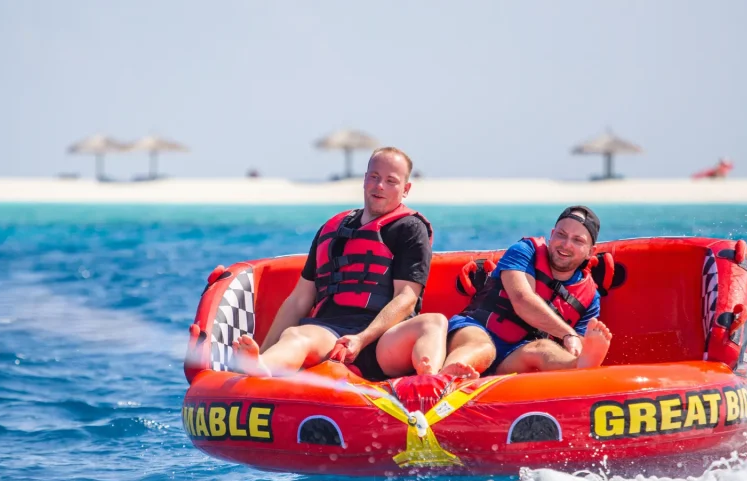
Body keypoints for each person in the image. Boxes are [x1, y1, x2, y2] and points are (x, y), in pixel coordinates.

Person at [232, 147, 448, 380]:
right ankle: (262, 366)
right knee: (297, 335)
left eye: (390, 181)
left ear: (405, 189)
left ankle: (431, 382)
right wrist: (263, 350)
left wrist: (362, 338)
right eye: (374, 177)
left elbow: (406, 298)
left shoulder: (410, 229)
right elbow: (298, 300)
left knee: (434, 322)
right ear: (364, 179)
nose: (379, 186)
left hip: (385, 339)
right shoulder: (332, 229)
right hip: (331, 333)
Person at [440, 206, 613, 378]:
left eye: (578, 240)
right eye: (561, 234)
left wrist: (580, 348)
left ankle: (579, 367)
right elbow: (522, 299)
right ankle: (444, 379)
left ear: (591, 252)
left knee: (542, 348)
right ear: (552, 235)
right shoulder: (524, 251)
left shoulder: (590, 298)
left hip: (514, 357)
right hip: (476, 329)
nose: (566, 244)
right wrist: (568, 334)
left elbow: (578, 345)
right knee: (483, 348)